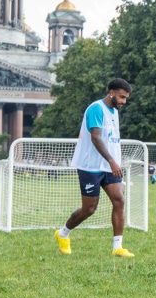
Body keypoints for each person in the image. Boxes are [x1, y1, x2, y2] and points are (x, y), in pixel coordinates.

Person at [56, 78, 134, 257]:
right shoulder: (96, 109)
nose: (123, 101)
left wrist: (115, 162)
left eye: (126, 98)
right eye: (121, 97)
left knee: (119, 200)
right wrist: (112, 161)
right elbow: (96, 138)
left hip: (109, 167)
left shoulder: (114, 111)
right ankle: (63, 233)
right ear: (111, 93)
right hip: (90, 166)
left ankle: (117, 248)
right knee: (89, 209)